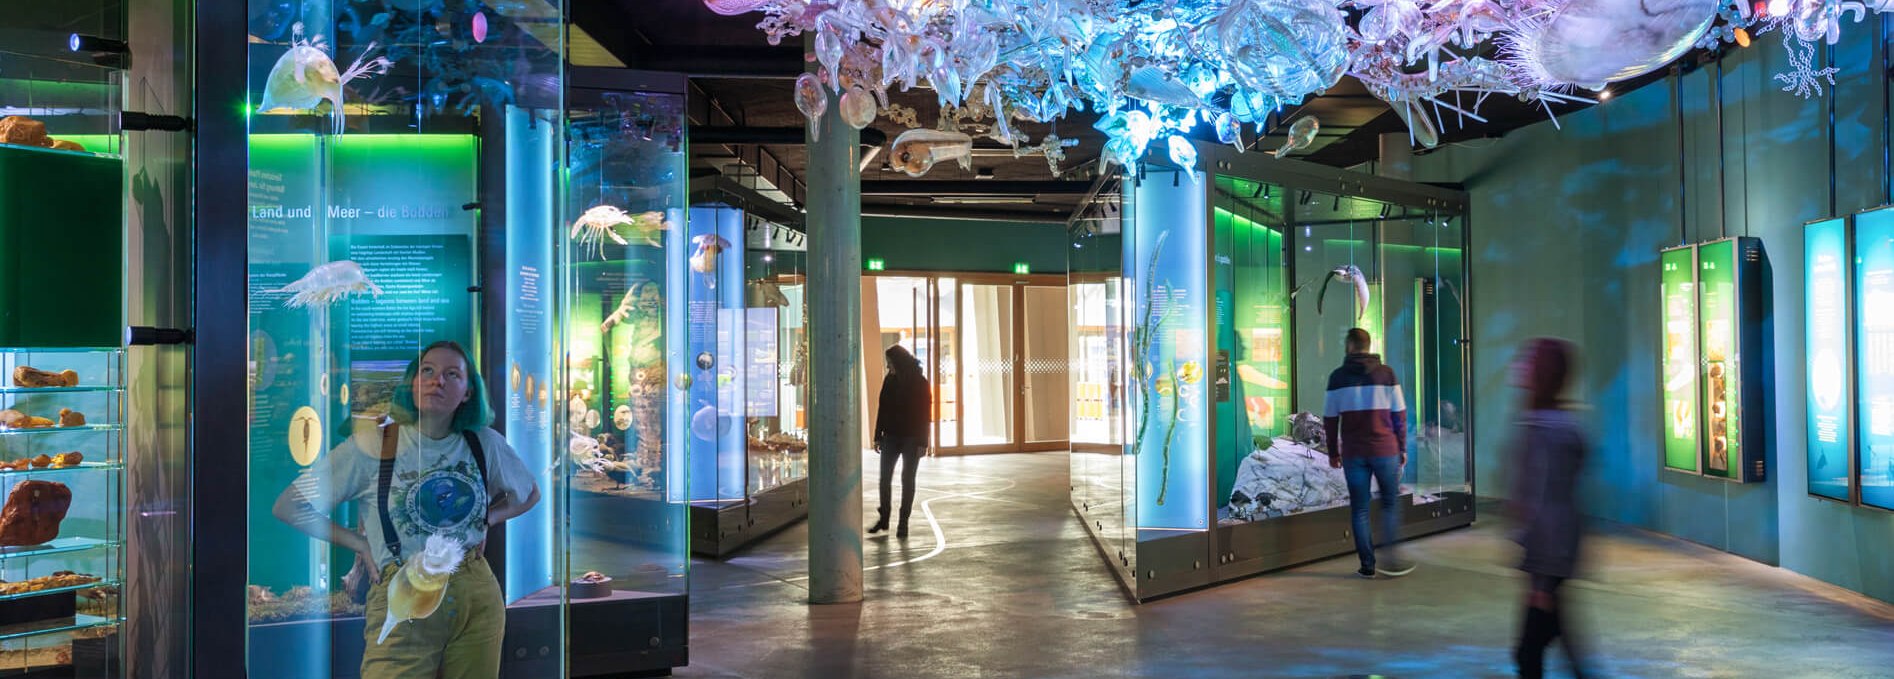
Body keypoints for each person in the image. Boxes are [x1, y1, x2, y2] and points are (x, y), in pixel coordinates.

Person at [273, 340, 540, 679]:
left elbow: (529, 492)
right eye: (426, 371)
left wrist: (488, 518)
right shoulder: (372, 444)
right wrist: (360, 543)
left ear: (468, 392)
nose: (436, 380)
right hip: (404, 588)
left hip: (475, 591)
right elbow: (290, 505)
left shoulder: (483, 442)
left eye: (451, 374)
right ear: (412, 383)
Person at [1507, 338, 1590, 678]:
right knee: (1558, 643)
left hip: (1548, 555)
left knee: (1528, 653)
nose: (1520, 366)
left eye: (1529, 361)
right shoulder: (1552, 423)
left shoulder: (1545, 429)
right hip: (1554, 552)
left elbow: (1544, 502)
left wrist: (1541, 582)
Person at [1322, 327, 1413, 578]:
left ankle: (1368, 565)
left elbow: (1330, 419)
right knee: (1390, 504)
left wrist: (1332, 452)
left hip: (1354, 453)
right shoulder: (1387, 374)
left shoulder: (1337, 378)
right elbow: (1400, 415)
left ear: (1349, 346)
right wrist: (1402, 447)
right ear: (1368, 345)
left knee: (1360, 509)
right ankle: (1392, 560)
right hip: (1386, 450)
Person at [871, 344, 932, 540]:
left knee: (908, 479)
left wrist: (924, 441)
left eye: (890, 363)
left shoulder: (920, 383)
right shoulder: (889, 381)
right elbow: (883, 408)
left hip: (912, 438)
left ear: (899, 362)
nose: (889, 368)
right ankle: (884, 517)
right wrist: (877, 435)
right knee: (884, 479)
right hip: (890, 436)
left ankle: (903, 521)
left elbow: (925, 414)